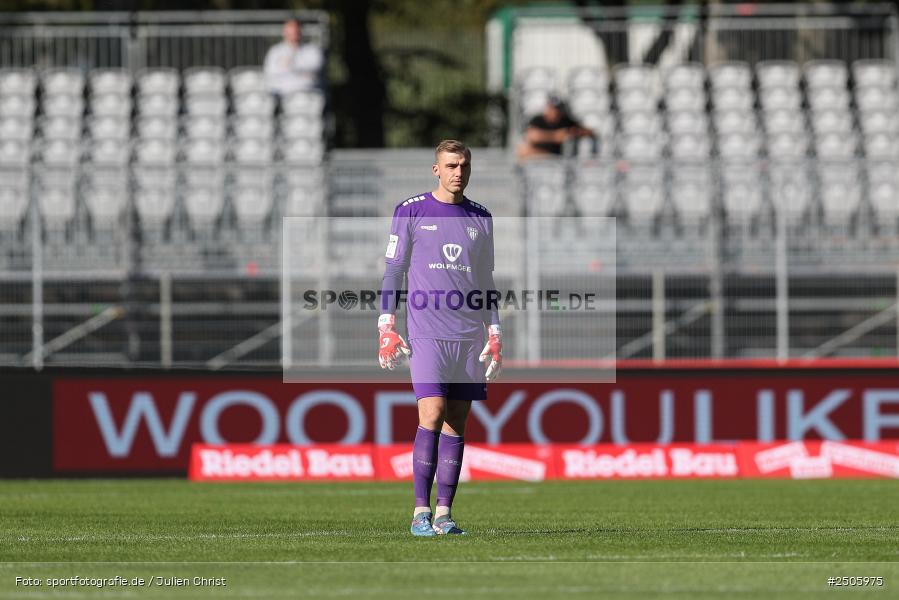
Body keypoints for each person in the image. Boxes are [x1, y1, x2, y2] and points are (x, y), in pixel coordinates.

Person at [377, 139, 502, 537]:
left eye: (463, 165)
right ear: (436, 169)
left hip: (467, 335)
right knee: (430, 413)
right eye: (450, 165)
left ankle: (445, 513)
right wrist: (386, 326)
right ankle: (419, 512)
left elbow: (486, 280)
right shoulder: (411, 210)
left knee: (457, 422)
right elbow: (394, 272)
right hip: (427, 332)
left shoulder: (481, 218)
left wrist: (494, 331)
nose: (458, 172)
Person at [517, 95, 596, 159]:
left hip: (559, 159)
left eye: (557, 109)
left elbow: (589, 131)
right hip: (540, 155)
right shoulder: (538, 120)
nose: (555, 112)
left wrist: (573, 132)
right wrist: (555, 136)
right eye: (552, 108)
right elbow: (532, 135)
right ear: (547, 108)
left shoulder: (565, 121)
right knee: (523, 150)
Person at [263, 17, 324, 96]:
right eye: (290, 31)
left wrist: (291, 65)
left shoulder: (312, 49)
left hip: (308, 92)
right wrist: (302, 71)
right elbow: (270, 71)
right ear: (284, 32)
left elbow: (316, 65)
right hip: (282, 93)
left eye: (296, 31)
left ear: (300, 31)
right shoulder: (275, 51)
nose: (293, 34)